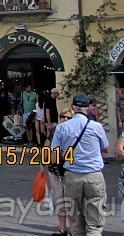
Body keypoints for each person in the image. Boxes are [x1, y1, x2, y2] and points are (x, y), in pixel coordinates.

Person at [51, 94, 108, 236]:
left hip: (72, 176)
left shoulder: (61, 128)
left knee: (76, 221)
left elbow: (54, 157)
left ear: (72, 107)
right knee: (94, 222)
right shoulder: (97, 127)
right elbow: (106, 148)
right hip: (94, 175)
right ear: (88, 109)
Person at [46, 108, 73, 236]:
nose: (65, 120)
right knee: (59, 199)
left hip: (70, 170)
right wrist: (42, 163)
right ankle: (62, 228)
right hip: (54, 169)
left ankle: (74, 228)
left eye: (69, 118)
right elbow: (46, 147)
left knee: (71, 199)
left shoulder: (75, 131)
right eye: (63, 117)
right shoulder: (53, 131)